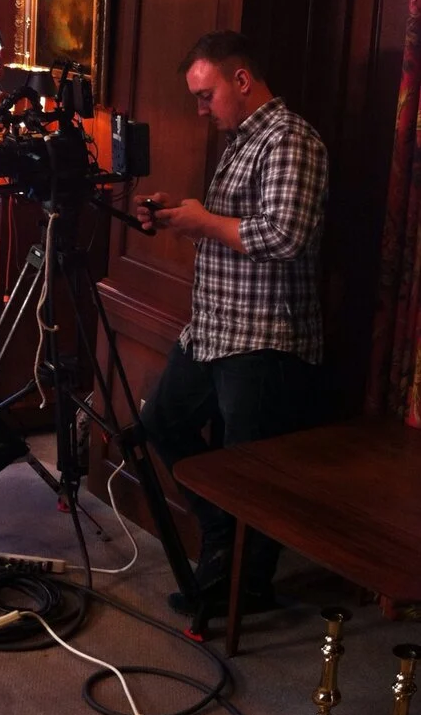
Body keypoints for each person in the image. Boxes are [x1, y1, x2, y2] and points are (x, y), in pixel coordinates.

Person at [131, 31, 327, 617]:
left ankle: (245, 585)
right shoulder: (243, 139)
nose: (200, 109)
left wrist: (205, 222)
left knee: (249, 470)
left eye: (205, 94)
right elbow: (233, 225)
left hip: (264, 336)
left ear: (241, 80)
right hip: (214, 328)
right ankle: (222, 540)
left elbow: (285, 236)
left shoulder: (290, 139)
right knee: (160, 422)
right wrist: (181, 216)